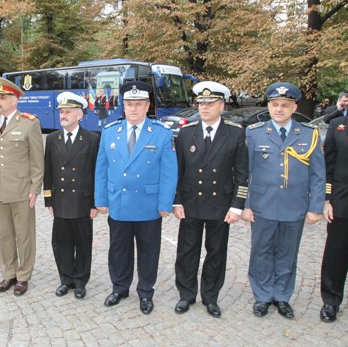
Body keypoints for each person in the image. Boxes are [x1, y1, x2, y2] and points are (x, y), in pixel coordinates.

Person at [242, 82, 325, 319]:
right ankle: (262, 296)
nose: (279, 109)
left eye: (285, 105)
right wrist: (246, 205)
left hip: (295, 205)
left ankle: (282, 296)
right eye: (275, 104)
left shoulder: (309, 135)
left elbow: (318, 174)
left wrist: (315, 207)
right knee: (261, 252)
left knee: (288, 253)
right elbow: (245, 172)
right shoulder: (255, 133)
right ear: (268, 106)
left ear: (294, 107)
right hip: (262, 204)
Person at [95, 81, 178, 315]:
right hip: (119, 203)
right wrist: (101, 199)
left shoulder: (161, 133)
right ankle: (120, 288)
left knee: (148, 251)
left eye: (138, 104)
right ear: (123, 106)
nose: (133, 108)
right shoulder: (110, 131)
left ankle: (145, 292)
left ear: (147, 105)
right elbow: (101, 168)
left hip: (148, 205)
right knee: (118, 249)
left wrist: (165, 204)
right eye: (129, 104)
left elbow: (170, 171)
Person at [172, 81, 249, 318]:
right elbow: (178, 170)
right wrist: (177, 201)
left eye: (210, 103)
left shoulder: (235, 133)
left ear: (222, 105)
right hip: (191, 201)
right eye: (201, 103)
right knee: (187, 251)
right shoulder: (186, 133)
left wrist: (237, 206)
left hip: (220, 204)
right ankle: (186, 294)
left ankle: (210, 296)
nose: (204, 107)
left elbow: (242, 174)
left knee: (216, 252)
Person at [0, 77, 44, 296]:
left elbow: (37, 160)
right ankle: (8, 274)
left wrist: (34, 189)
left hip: (21, 190)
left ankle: (23, 276)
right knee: (4, 235)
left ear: (14, 100)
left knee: (24, 235)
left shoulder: (29, 123)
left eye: (2, 97)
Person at [44, 92, 100, 300]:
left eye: (68, 112)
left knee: (83, 243)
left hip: (83, 201)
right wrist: (48, 199)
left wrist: (95, 202)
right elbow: (48, 170)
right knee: (61, 242)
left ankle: (80, 281)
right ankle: (65, 279)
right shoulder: (52, 138)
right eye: (61, 112)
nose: (63, 115)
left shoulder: (93, 139)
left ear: (80, 115)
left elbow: (96, 172)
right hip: (60, 200)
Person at [319, 112, 348, 322]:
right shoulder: (338, 125)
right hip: (343, 200)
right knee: (336, 254)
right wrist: (327, 198)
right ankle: (331, 300)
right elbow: (327, 166)